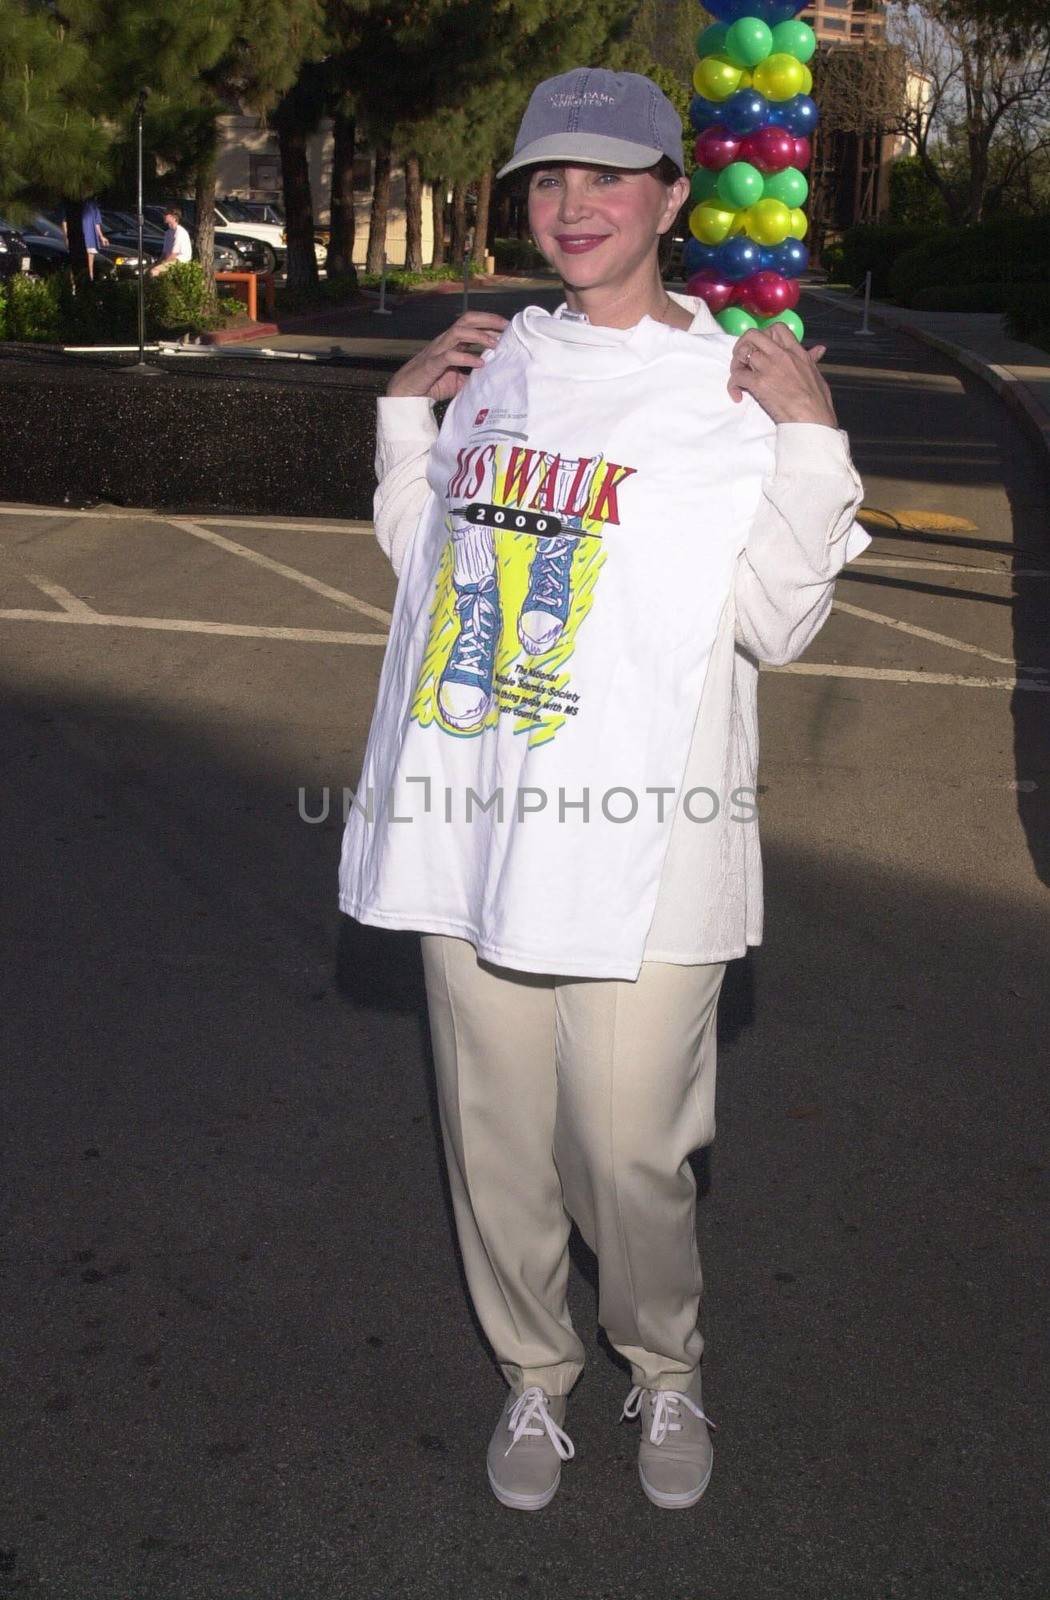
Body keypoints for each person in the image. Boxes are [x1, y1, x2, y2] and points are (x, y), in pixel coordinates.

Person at [339, 68, 869, 1513]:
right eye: (547, 179)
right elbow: (441, 588)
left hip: (652, 854)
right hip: (479, 831)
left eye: (607, 176)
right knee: (494, 1135)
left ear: (673, 197)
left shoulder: (729, 388)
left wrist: (813, 438)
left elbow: (778, 621)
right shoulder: (501, 362)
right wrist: (403, 425)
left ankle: (664, 1363)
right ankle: (532, 1376)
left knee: (632, 1148)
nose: (572, 205)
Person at [61, 199, 108, 280]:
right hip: (77, 240)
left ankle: (88, 284)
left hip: (90, 240)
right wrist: (67, 237)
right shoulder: (73, 204)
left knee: (89, 268)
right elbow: (65, 222)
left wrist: (101, 237)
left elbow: (97, 223)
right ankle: (74, 286)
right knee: (76, 266)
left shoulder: (93, 204)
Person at [148, 205, 193, 276]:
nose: (164, 215)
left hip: (181, 261)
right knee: (148, 269)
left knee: (154, 271)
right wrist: (157, 263)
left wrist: (161, 265)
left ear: (174, 217)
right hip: (171, 260)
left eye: (166, 214)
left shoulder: (179, 232)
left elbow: (173, 255)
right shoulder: (168, 233)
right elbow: (164, 253)